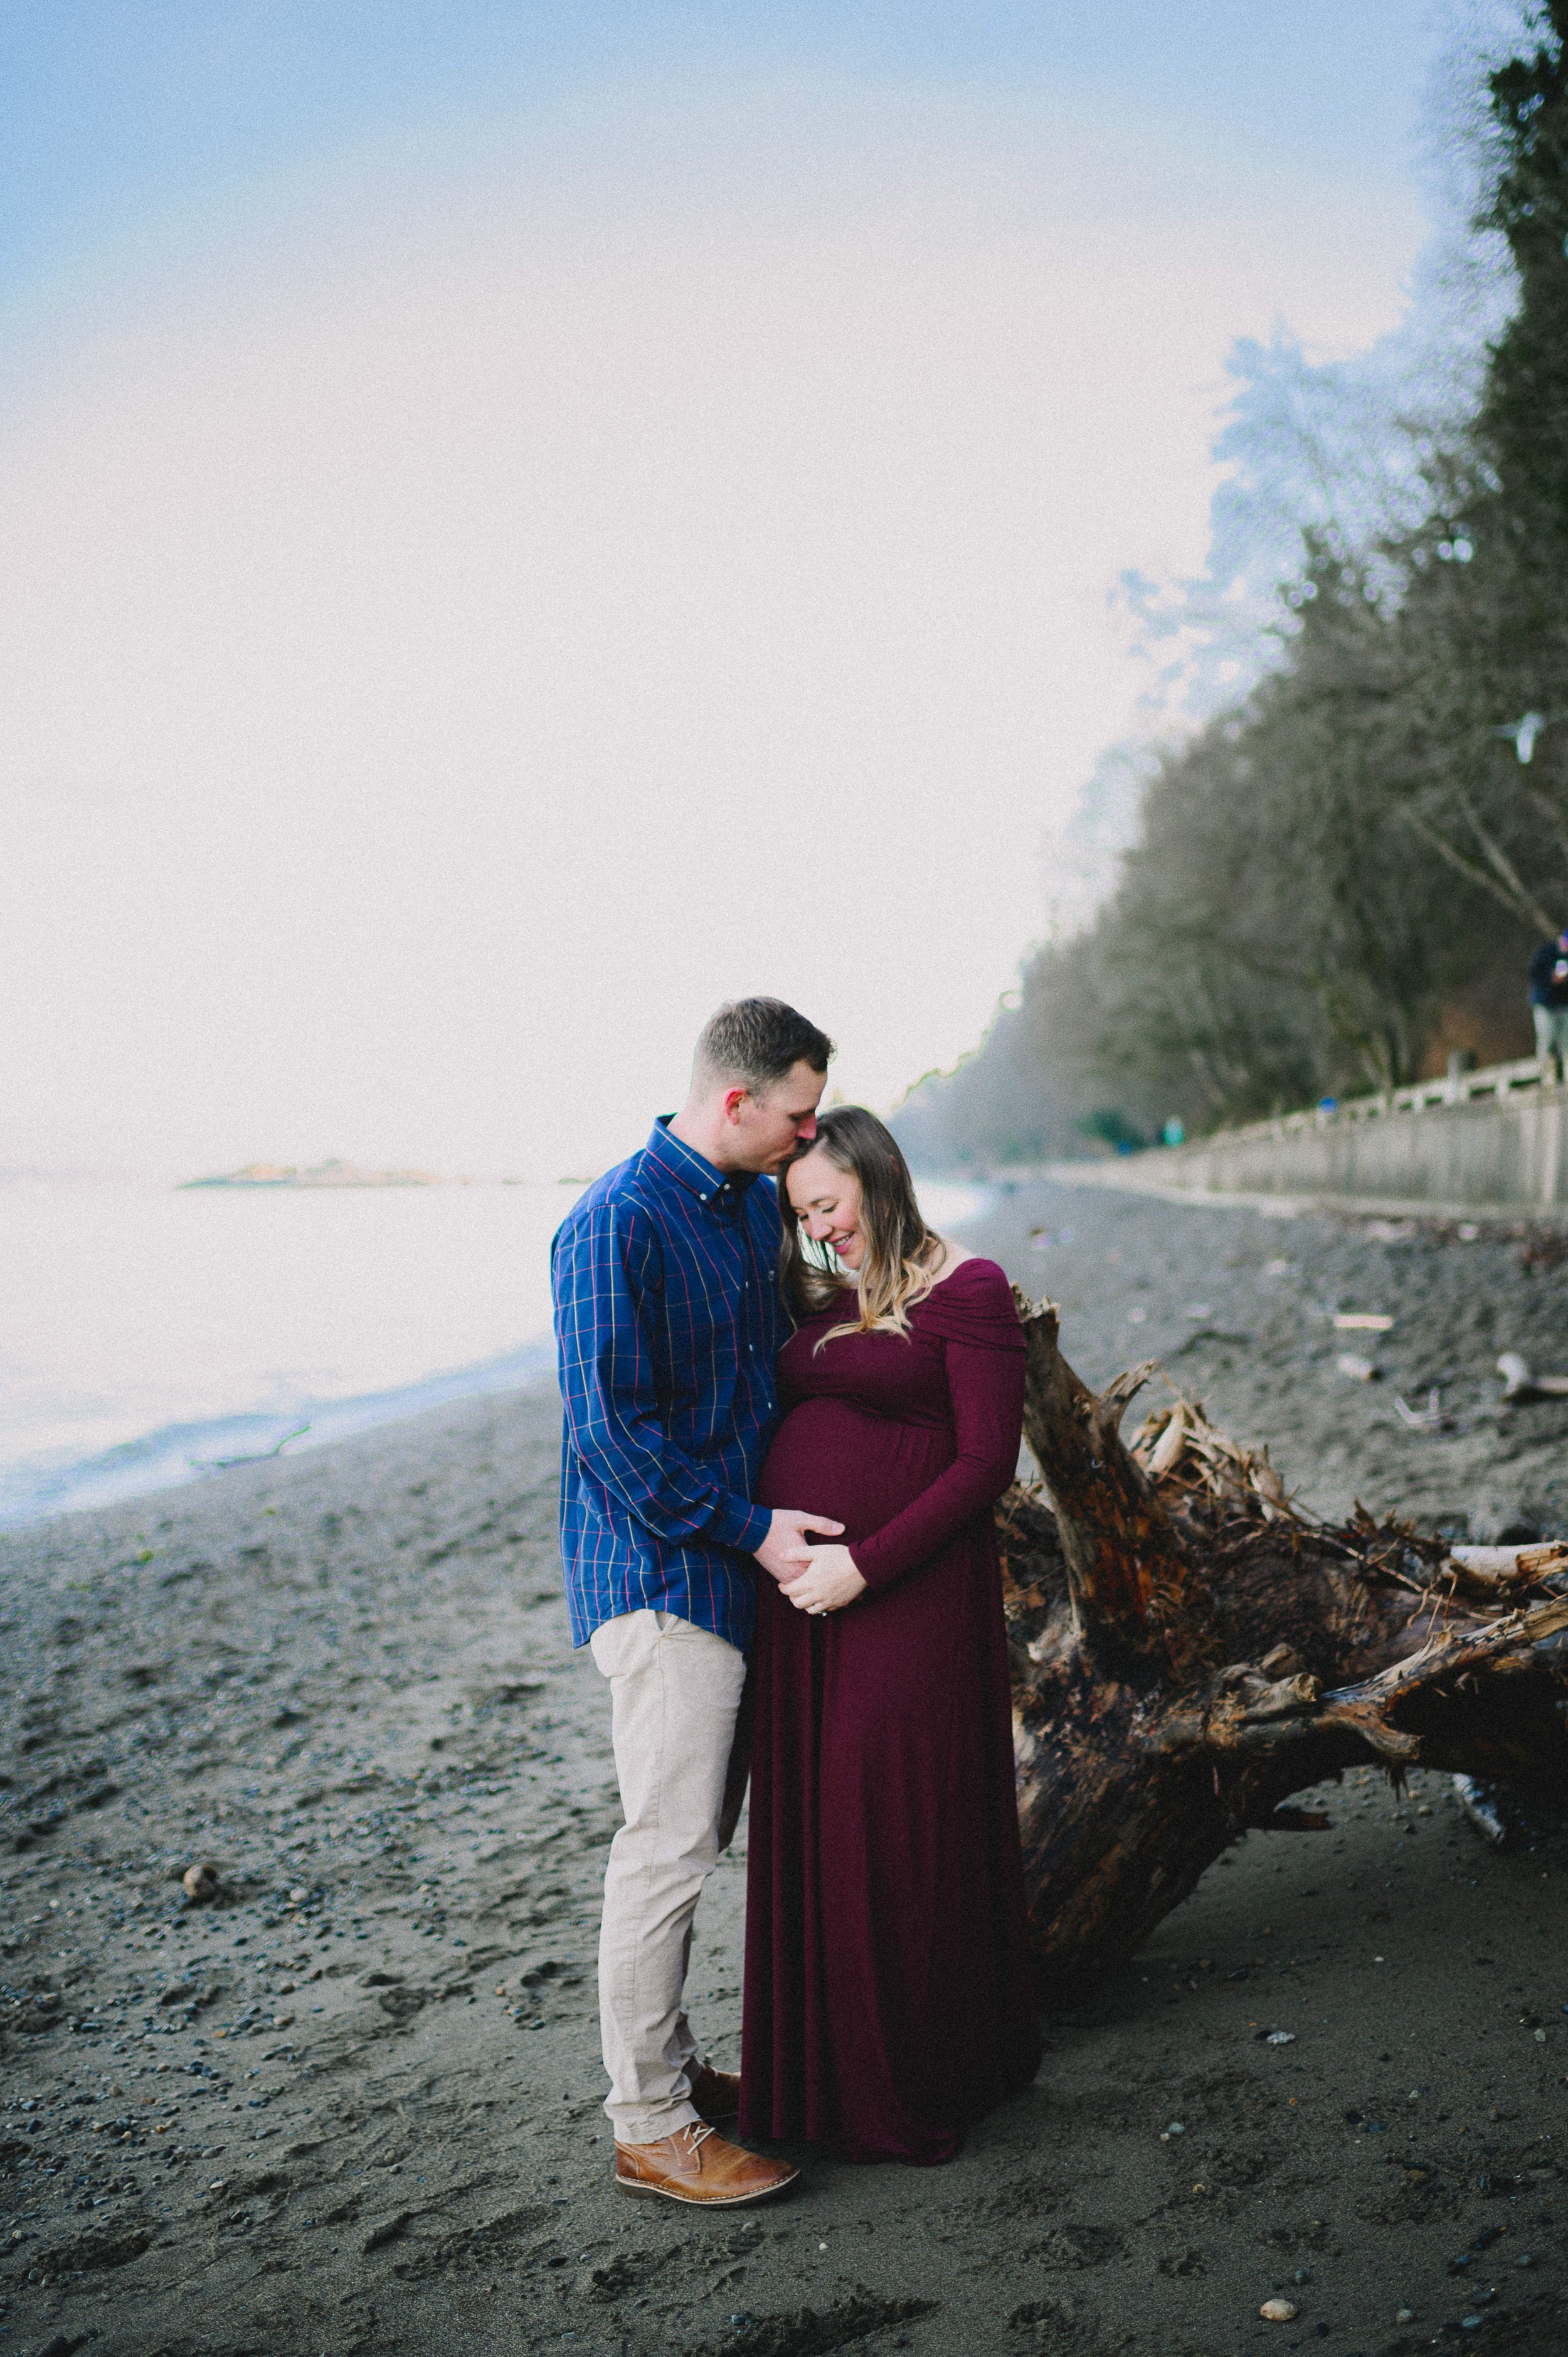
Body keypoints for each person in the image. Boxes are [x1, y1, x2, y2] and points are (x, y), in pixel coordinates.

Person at [552, 997, 840, 2208]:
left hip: (732, 1572)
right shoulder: (613, 1220)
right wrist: (756, 1530)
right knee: (665, 1847)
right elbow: (612, 1439)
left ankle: (671, 2075)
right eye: (799, 1113)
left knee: (697, 1838)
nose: (808, 1134)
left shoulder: (743, 1213)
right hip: (662, 1578)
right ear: (738, 1101)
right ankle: (649, 2123)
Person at [739, 1107, 1042, 2166]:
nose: (821, 1227)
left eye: (829, 1204)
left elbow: (984, 1463)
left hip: (906, 1595)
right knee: (820, 1827)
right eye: (804, 1214)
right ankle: (823, 2083)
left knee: (891, 1825)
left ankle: (916, 2078)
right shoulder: (825, 1287)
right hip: (804, 1612)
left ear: (876, 1177)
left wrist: (861, 1564)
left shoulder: (970, 1287)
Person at [1528, 926, 1568, 1073]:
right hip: (1545, 1003)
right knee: (1547, 1037)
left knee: (1566, 1040)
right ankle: (1544, 1073)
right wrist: (1550, 979)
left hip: (1564, 1004)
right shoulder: (1546, 953)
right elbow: (1534, 973)